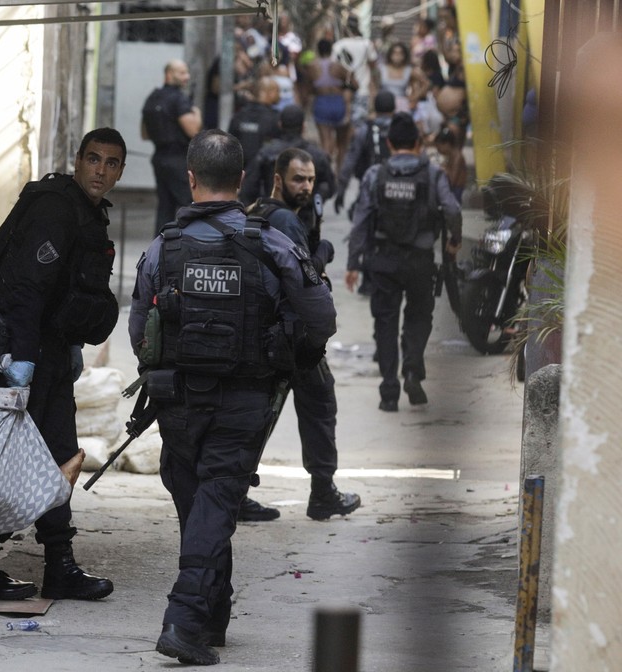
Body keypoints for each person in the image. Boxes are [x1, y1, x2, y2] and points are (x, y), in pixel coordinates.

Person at [130, 130, 337, 664]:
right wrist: (293, 356)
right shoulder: (270, 243)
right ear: (243, 182)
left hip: (175, 400)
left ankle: (209, 617)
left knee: (200, 505)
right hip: (244, 399)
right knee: (216, 504)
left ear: (191, 179)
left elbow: (138, 331)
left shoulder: (163, 247)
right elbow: (322, 317)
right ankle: (183, 621)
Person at [0, 128, 127, 602]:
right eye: (93, 159)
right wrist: (21, 367)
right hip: (22, 348)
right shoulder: (56, 207)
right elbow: (26, 291)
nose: (101, 170)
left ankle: (56, 565)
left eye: (111, 163)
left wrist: (63, 349)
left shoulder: (87, 212)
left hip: (48, 351)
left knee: (58, 457)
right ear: (77, 160)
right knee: (16, 462)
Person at [247, 147, 361, 521]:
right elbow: (303, 276)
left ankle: (233, 492)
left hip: (271, 333)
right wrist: (323, 253)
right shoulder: (286, 221)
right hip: (292, 335)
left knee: (261, 415)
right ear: (278, 179)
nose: (306, 186)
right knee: (319, 407)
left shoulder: (262, 211)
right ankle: (323, 493)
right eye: (298, 179)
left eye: (311, 179)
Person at [344, 113, 462, 412]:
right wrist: (454, 241)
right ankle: (411, 369)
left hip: (383, 260)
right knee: (419, 316)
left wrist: (353, 262)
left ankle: (388, 392)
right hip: (420, 261)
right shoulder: (433, 173)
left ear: (388, 143)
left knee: (385, 323)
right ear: (419, 143)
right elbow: (451, 208)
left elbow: (361, 219)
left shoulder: (375, 174)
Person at [142, 60, 203, 235]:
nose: (187, 77)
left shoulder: (152, 97)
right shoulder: (179, 99)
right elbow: (192, 130)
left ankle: (160, 247)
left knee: (165, 207)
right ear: (169, 74)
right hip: (177, 159)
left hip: (159, 158)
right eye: (182, 73)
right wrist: (196, 113)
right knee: (189, 205)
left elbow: (144, 133)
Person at [239, 104, 335, 209]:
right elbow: (330, 186)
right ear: (303, 126)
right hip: (304, 218)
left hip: (273, 215)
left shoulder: (265, 153)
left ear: (280, 125)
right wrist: (311, 202)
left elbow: (248, 188)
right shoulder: (317, 155)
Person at [335, 90, 396, 216]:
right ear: (394, 108)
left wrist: (341, 192)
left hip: (368, 186)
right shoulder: (401, 127)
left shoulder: (364, 130)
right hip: (397, 186)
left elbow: (350, 161)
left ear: (375, 107)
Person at [307, 38, 351, 171]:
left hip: (321, 103)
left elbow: (309, 88)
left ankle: (324, 174)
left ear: (318, 50)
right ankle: (339, 174)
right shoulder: (339, 66)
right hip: (338, 103)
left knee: (326, 142)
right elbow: (354, 83)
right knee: (342, 143)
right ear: (331, 50)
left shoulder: (311, 66)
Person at [332, 15, 379, 128]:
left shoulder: (338, 45)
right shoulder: (367, 44)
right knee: (359, 128)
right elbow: (373, 67)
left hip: (342, 92)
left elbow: (333, 69)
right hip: (362, 91)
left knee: (343, 129)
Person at [227, 76, 282, 169]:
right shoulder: (275, 119)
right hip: (263, 173)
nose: (280, 95)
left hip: (240, 172)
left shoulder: (239, 115)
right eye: (277, 91)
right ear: (268, 93)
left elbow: (229, 145)